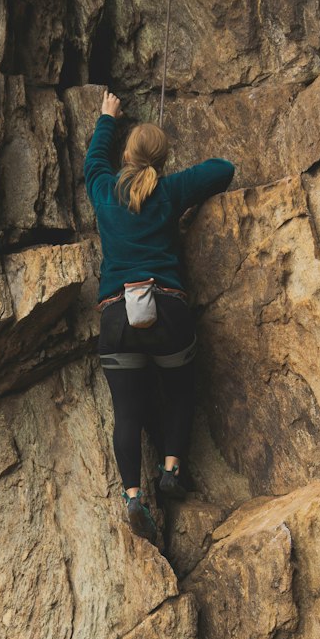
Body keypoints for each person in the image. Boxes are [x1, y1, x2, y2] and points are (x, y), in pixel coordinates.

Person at [84, 89, 235, 544]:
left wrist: (107, 118)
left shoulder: (105, 192)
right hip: (167, 311)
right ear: (160, 162)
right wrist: (172, 178)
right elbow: (223, 170)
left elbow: (93, 163)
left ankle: (133, 497)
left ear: (126, 156)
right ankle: (171, 468)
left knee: (127, 412)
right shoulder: (169, 190)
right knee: (180, 388)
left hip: (116, 318)